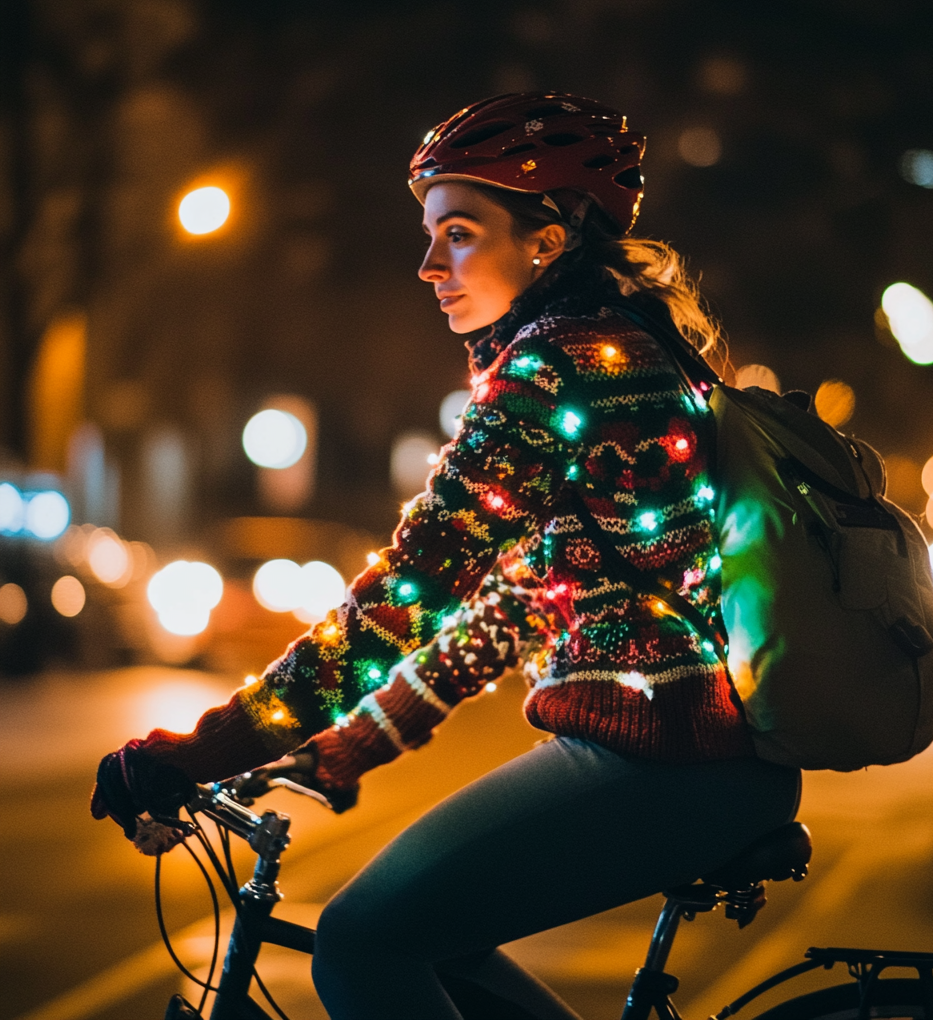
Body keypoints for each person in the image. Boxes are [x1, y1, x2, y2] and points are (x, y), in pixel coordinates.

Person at [92, 92, 801, 1020]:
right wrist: (352, 745)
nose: (429, 265)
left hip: (661, 762)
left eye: (458, 234)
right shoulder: (620, 350)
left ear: (546, 240)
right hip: (700, 759)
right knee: (437, 942)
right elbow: (515, 607)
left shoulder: (556, 371)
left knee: (358, 943)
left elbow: (401, 602)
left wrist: (204, 747)